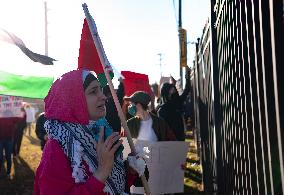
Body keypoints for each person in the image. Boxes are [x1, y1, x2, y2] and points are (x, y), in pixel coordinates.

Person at [34, 70, 141, 195]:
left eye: (100, 90)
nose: (103, 97)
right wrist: (102, 171)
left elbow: (113, 186)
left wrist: (130, 171)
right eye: (93, 91)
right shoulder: (57, 147)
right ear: (74, 99)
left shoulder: (100, 131)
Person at [157, 68, 191, 141]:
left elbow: (186, 91)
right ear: (166, 92)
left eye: (173, 89)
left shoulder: (176, 101)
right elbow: (162, 129)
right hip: (169, 139)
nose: (173, 91)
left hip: (180, 135)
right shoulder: (162, 110)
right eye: (171, 90)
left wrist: (187, 77)